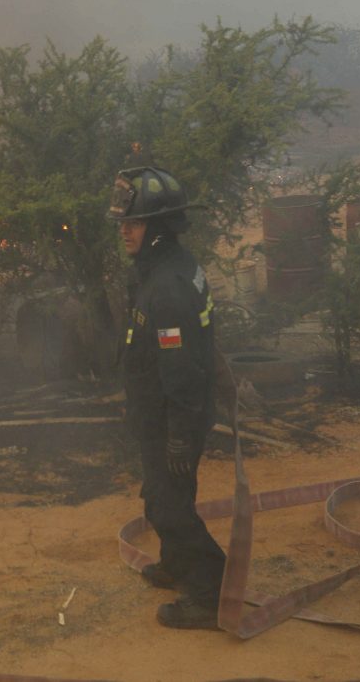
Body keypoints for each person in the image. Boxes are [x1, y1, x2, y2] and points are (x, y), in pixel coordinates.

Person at [109, 166, 226, 629]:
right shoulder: (167, 267)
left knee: (168, 504)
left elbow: (180, 372)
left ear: (157, 229)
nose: (124, 231)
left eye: (132, 223)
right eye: (123, 223)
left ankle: (209, 594)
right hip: (163, 413)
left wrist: (178, 435)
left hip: (173, 417)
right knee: (167, 494)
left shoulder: (168, 289)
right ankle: (177, 564)